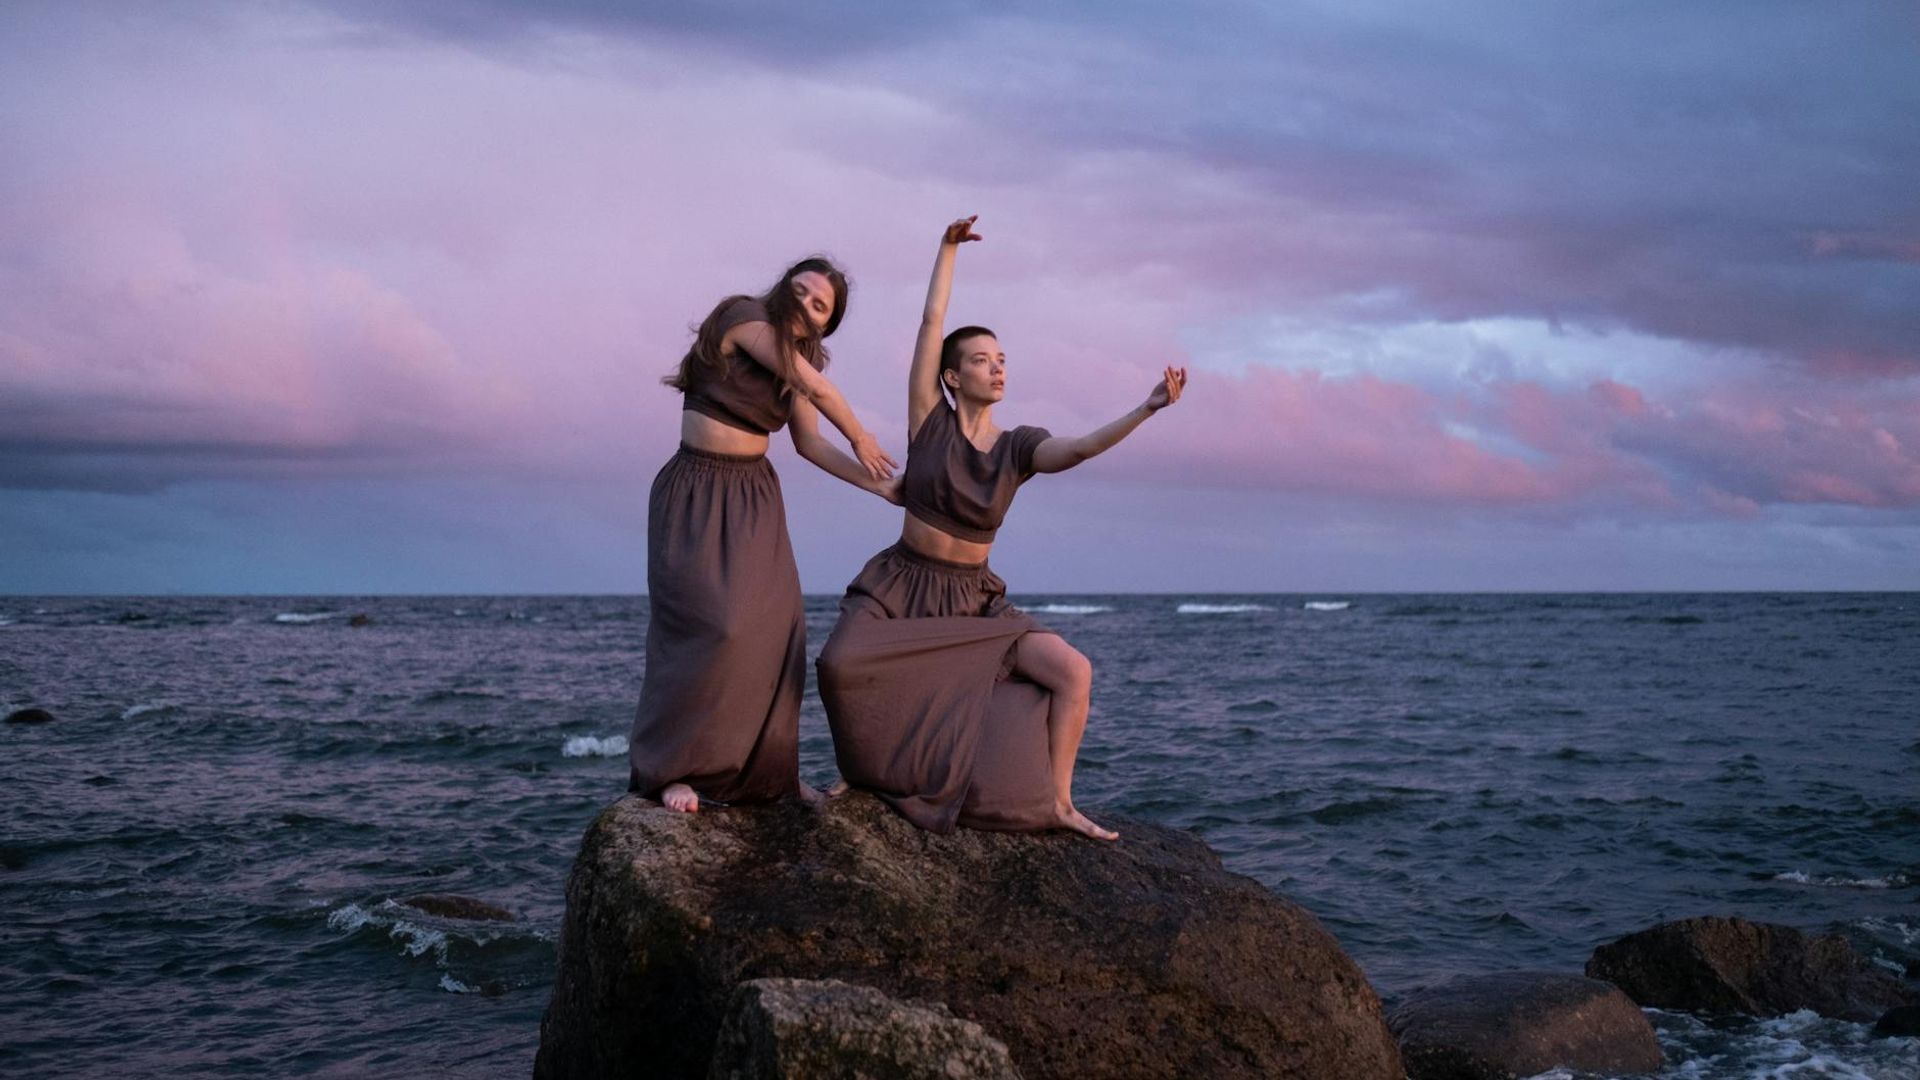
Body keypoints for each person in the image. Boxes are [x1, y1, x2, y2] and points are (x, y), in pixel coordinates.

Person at [817, 218, 1187, 840]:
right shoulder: (928, 420)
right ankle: (867, 772)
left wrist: (1146, 408)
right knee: (839, 665)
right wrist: (946, 250)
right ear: (953, 376)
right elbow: (930, 326)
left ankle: (1060, 802)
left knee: (1073, 671)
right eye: (982, 360)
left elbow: (1080, 448)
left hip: (972, 598)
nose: (997, 369)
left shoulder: (1018, 447)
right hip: (902, 585)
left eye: (1003, 360)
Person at [628, 257, 899, 814]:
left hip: (754, 496)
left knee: (780, 633)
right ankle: (670, 772)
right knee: (711, 627)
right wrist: (863, 436)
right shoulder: (742, 316)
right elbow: (814, 387)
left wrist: (882, 489)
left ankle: (768, 777)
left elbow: (809, 444)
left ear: (826, 323)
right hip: (698, 488)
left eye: (818, 304)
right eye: (799, 291)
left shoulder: (801, 360)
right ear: (782, 289)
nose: (804, 304)